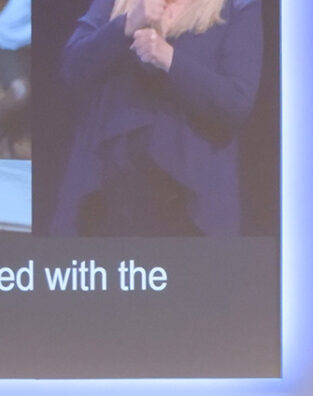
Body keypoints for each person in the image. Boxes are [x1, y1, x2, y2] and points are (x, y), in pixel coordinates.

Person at [51, 0, 264, 236]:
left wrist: (169, 59)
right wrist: (127, 23)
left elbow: (235, 103)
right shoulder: (115, 3)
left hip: (190, 205)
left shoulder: (237, 6)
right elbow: (72, 67)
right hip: (105, 193)